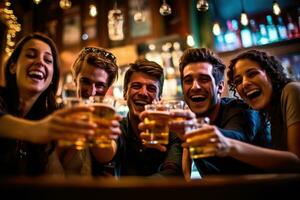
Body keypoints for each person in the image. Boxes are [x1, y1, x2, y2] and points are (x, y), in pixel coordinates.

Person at [0, 32, 96, 176]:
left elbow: (56, 183)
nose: (40, 62)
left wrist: (75, 151)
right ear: (13, 66)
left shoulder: (43, 117)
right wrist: (37, 130)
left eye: (48, 60)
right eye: (31, 55)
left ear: (52, 77)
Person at [171, 47, 271, 179]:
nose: (195, 86)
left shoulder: (242, 111)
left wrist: (193, 132)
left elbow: (235, 138)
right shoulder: (189, 121)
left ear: (220, 87)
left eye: (204, 79)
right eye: (188, 81)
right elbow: (173, 162)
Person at [224, 49, 300, 172]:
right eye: (238, 81)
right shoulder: (271, 112)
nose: (245, 84)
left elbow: (296, 161)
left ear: (270, 73)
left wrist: (228, 145)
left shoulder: (291, 91)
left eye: (252, 74)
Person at [56, 46, 121, 176]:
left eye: (100, 85)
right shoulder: (57, 114)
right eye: (85, 81)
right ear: (75, 81)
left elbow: (105, 156)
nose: (91, 92)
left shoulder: (112, 120)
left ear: (108, 88)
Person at [116, 59, 183, 177]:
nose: (143, 93)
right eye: (136, 86)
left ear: (159, 98)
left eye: (151, 88)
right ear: (125, 93)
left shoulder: (173, 131)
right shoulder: (117, 129)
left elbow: (172, 173)